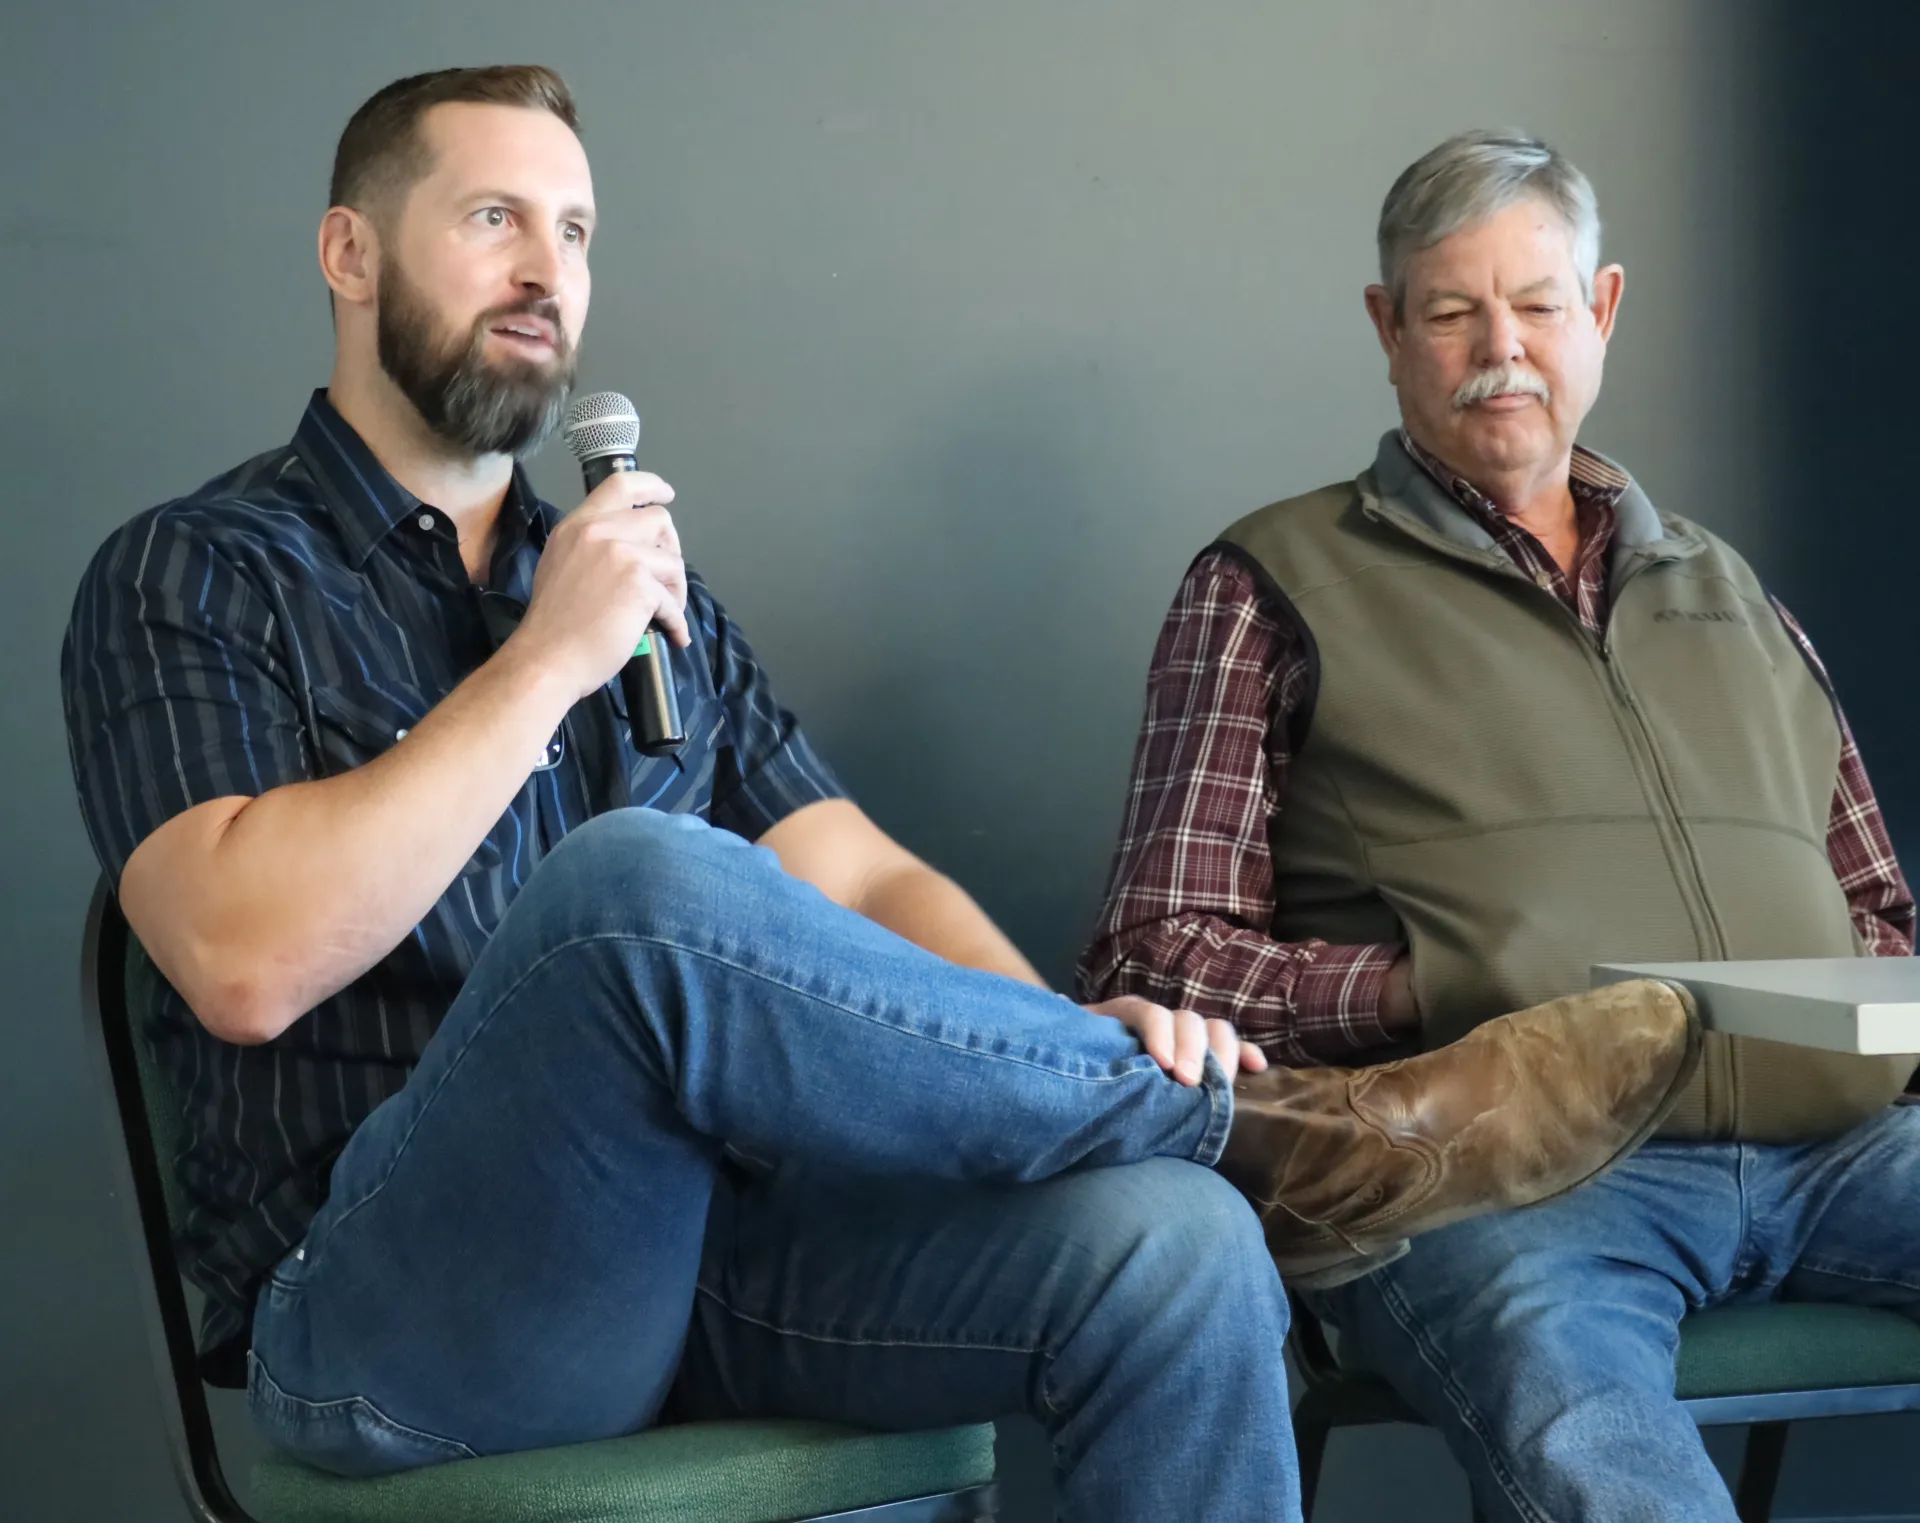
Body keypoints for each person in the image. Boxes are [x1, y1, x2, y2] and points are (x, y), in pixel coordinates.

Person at [62, 73, 1690, 1520]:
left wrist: (1068, 1034)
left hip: (706, 1261)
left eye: (575, 230)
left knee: (1175, 1248)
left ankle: (1200, 1145)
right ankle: (1274, 1134)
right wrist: (547, 663)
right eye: (494, 219)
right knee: (634, 882)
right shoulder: (195, 575)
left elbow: (858, 874)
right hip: (396, 1317)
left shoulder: (630, 585)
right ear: (350, 253)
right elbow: (240, 960)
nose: (547, 270)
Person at [1082, 126, 1920, 1522]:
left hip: (1838, 1154)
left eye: (1536, 303)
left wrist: (1876, 1022)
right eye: (1452, 312)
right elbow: (1154, 960)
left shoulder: (1737, 595)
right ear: (1386, 327)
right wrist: (1445, 988)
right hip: (1501, 1187)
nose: (1502, 349)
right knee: (1600, 1453)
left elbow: (1880, 916)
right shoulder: (1269, 585)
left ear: (1602, 311)